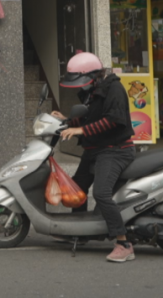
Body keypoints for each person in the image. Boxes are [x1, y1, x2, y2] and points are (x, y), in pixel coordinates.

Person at [53, 51, 136, 263]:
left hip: (115, 149)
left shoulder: (114, 89)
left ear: (95, 74)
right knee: (76, 189)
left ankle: (124, 243)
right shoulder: (92, 90)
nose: (81, 85)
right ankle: (79, 233)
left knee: (101, 193)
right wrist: (68, 121)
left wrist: (81, 131)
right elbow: (89, 116)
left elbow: (113, 120)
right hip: (95, 148)